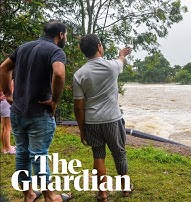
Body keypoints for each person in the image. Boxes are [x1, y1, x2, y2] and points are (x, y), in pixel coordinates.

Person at [0, 20, 72, 202]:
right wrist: (54, 100)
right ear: (61, 35)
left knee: (23, 154)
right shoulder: (55, 51)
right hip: (39, 112)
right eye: (66, 35)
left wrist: (9, 93)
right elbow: (59, 73)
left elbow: (3, 68)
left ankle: (29, 194)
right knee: (39, 155)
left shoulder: (23, 48)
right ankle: (49, 197)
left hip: (17, 111)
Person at [73, 34, 131, 201]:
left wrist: (82, 129)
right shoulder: (111, 67)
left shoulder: (79, 74)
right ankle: (125, 189)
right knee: (119, 154)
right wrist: (122, 54)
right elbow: (120, 61)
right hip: (112, 119)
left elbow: (78, 106)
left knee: (98, 156)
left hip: (91, 122)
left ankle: (103, 194)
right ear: (99, 46)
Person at [1, 87, 16, 154]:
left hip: (2, 102)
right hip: (6, 102)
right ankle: (8, 148)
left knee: (4, 128)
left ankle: (5, 147)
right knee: (8, 128)